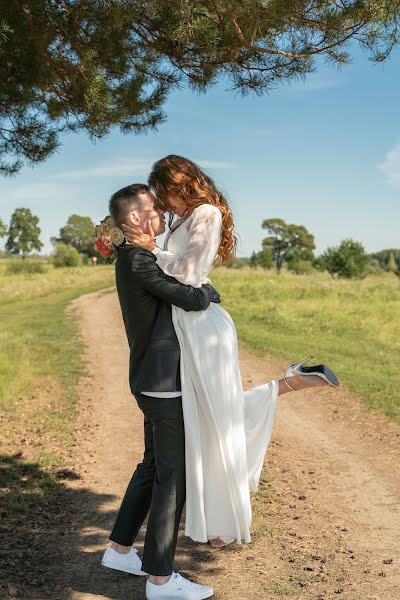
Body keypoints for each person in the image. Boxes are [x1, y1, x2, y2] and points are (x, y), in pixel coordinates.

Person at [122, 156, 340, 550]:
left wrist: (150, 251)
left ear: (181, 184)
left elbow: (188, 274)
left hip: (203, 326)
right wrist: (150, 249)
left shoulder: (206, 213)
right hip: (182, 327)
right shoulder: (181, 218)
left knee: (218, 420)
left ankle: (221, 519)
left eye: (165, 194)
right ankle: (290, 381)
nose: (163, 204)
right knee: (203, 419)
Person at [100, 184, 220, 600]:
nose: (164, 214)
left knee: (153, 467)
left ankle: (119, 550)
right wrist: (208, 293)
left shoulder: (135, 258)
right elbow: (186, 297)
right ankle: (161, 580)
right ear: (134, 219)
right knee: (172, 476)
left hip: (153, 379)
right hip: (163, 380)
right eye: (154, 209)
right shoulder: (138, 261)